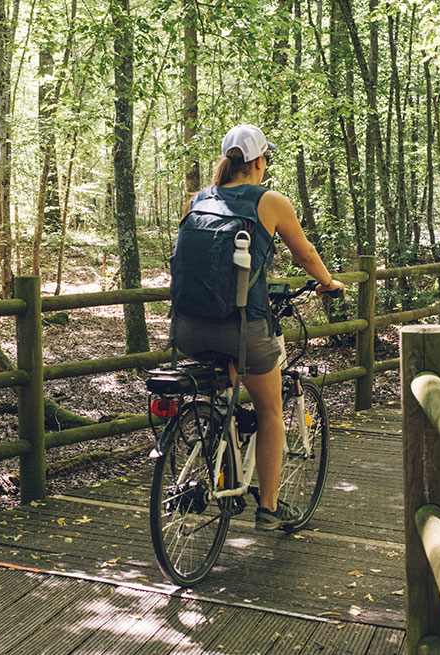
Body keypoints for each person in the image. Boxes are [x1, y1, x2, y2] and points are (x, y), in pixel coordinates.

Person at [171, 124, 345, 531]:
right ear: (258, 161)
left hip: (186, 330)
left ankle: (225, 445)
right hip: (242, 328)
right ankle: (268, 506)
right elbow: (304, 253)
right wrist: (328, 282)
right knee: (270, 410)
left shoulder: (200, 199)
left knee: (231, 387)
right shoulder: (270, 201)